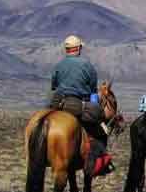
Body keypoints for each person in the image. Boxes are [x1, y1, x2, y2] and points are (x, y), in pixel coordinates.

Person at [49, 35, 114, 177]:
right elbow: (92, 90)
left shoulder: (59, 65)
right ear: (78, 48)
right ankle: (100, 162)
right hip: (79, 104)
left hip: (58, 102)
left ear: (67, 49)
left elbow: (54, 85)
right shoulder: (87, 65)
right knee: (101, 127)